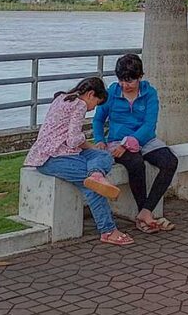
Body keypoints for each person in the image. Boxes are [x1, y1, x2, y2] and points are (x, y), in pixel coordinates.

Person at [23, 76, 134, 246]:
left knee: (104, 155)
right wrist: (89, 145)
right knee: (92, 186)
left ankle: (96, 174)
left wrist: (93, 148)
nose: (92, 109)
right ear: (90, 94)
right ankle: (108, 230)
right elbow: (74, 140)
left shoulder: (61, 98)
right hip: (53, 158)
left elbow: (69, 140)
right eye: (96, 104)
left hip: (53, 154)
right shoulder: (80, 104)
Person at [93, 54, 178, 234]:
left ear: (140, 77)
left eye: (130, 81)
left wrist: (130, 143)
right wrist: (100, 140)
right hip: (116, 141)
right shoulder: (112, 94)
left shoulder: (149, 93)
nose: (125, 85)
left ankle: (145, 212)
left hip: (145, 140)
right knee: (136, 163)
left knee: (170, 161)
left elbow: (149, 125)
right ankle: (144, 215)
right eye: (122, 80)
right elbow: (98, 119)